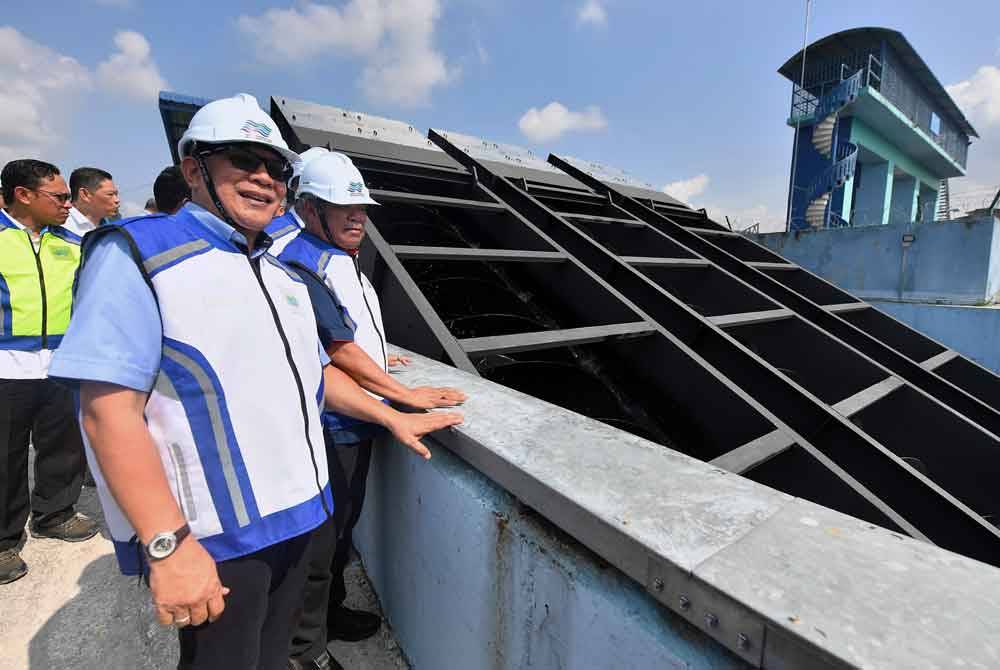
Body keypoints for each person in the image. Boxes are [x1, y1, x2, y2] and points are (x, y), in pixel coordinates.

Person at [47, 94, 461, 669]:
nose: (265, 178)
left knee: (271, 657)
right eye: (243, 159)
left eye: (277, 168)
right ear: (195, 169)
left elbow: (315, 375)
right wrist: (168, 546)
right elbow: (106, 411)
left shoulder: (279, 274)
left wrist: (395, 413)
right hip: (220, 540)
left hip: (301, 515)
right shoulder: (138, 255)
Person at [278, 150, 466, 670]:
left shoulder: (340, 257)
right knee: (319, 545)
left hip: (356, 420)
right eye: (344, 207)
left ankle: (329, 616)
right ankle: (303, 650)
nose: (357, 216)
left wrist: (384, 357)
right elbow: (335, 349)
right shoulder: (303, 261)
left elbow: (349, 334)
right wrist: (404, 394)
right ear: (310, 208)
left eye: (361, 206)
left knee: (340, 534)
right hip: (332, 425)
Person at [0, 159, 98, 585]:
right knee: (5, 456)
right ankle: (3, 541)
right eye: (58, 197)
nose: (66, 203)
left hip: (60, 363)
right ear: (24, 195)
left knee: (62, 445)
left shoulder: (72, 243)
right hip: (6, 365)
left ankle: (54, 512)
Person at [64, 167, 120, 236]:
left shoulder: (116, 228)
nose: (117, 200)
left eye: (116, 194)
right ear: (85, 194)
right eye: (110, 194)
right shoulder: (59, 228)